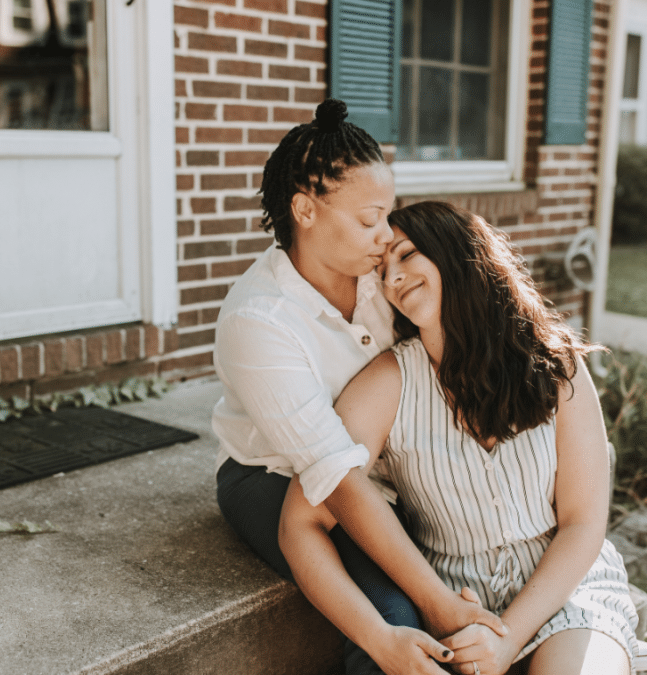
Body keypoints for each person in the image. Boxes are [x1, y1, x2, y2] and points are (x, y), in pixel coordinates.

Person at [279, 201, 642, 675]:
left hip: (566, 592)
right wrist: (379, 635)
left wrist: (507, 641)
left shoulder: (556, 366)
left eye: (407, 255)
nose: (394, 278)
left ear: (457, 252)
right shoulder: (388, 384)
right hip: (455, 607)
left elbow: (582, 523)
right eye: (384, 271)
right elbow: (298, 523)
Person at [212, 101, 505, 675]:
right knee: (395, 618)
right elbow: (335, 479)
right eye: (369, 218)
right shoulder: (259, 320)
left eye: (387, 215)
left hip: (380, 469)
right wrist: (436, 603)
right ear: (305, 210)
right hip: (276, 476)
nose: (386, 234)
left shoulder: (381, 277)